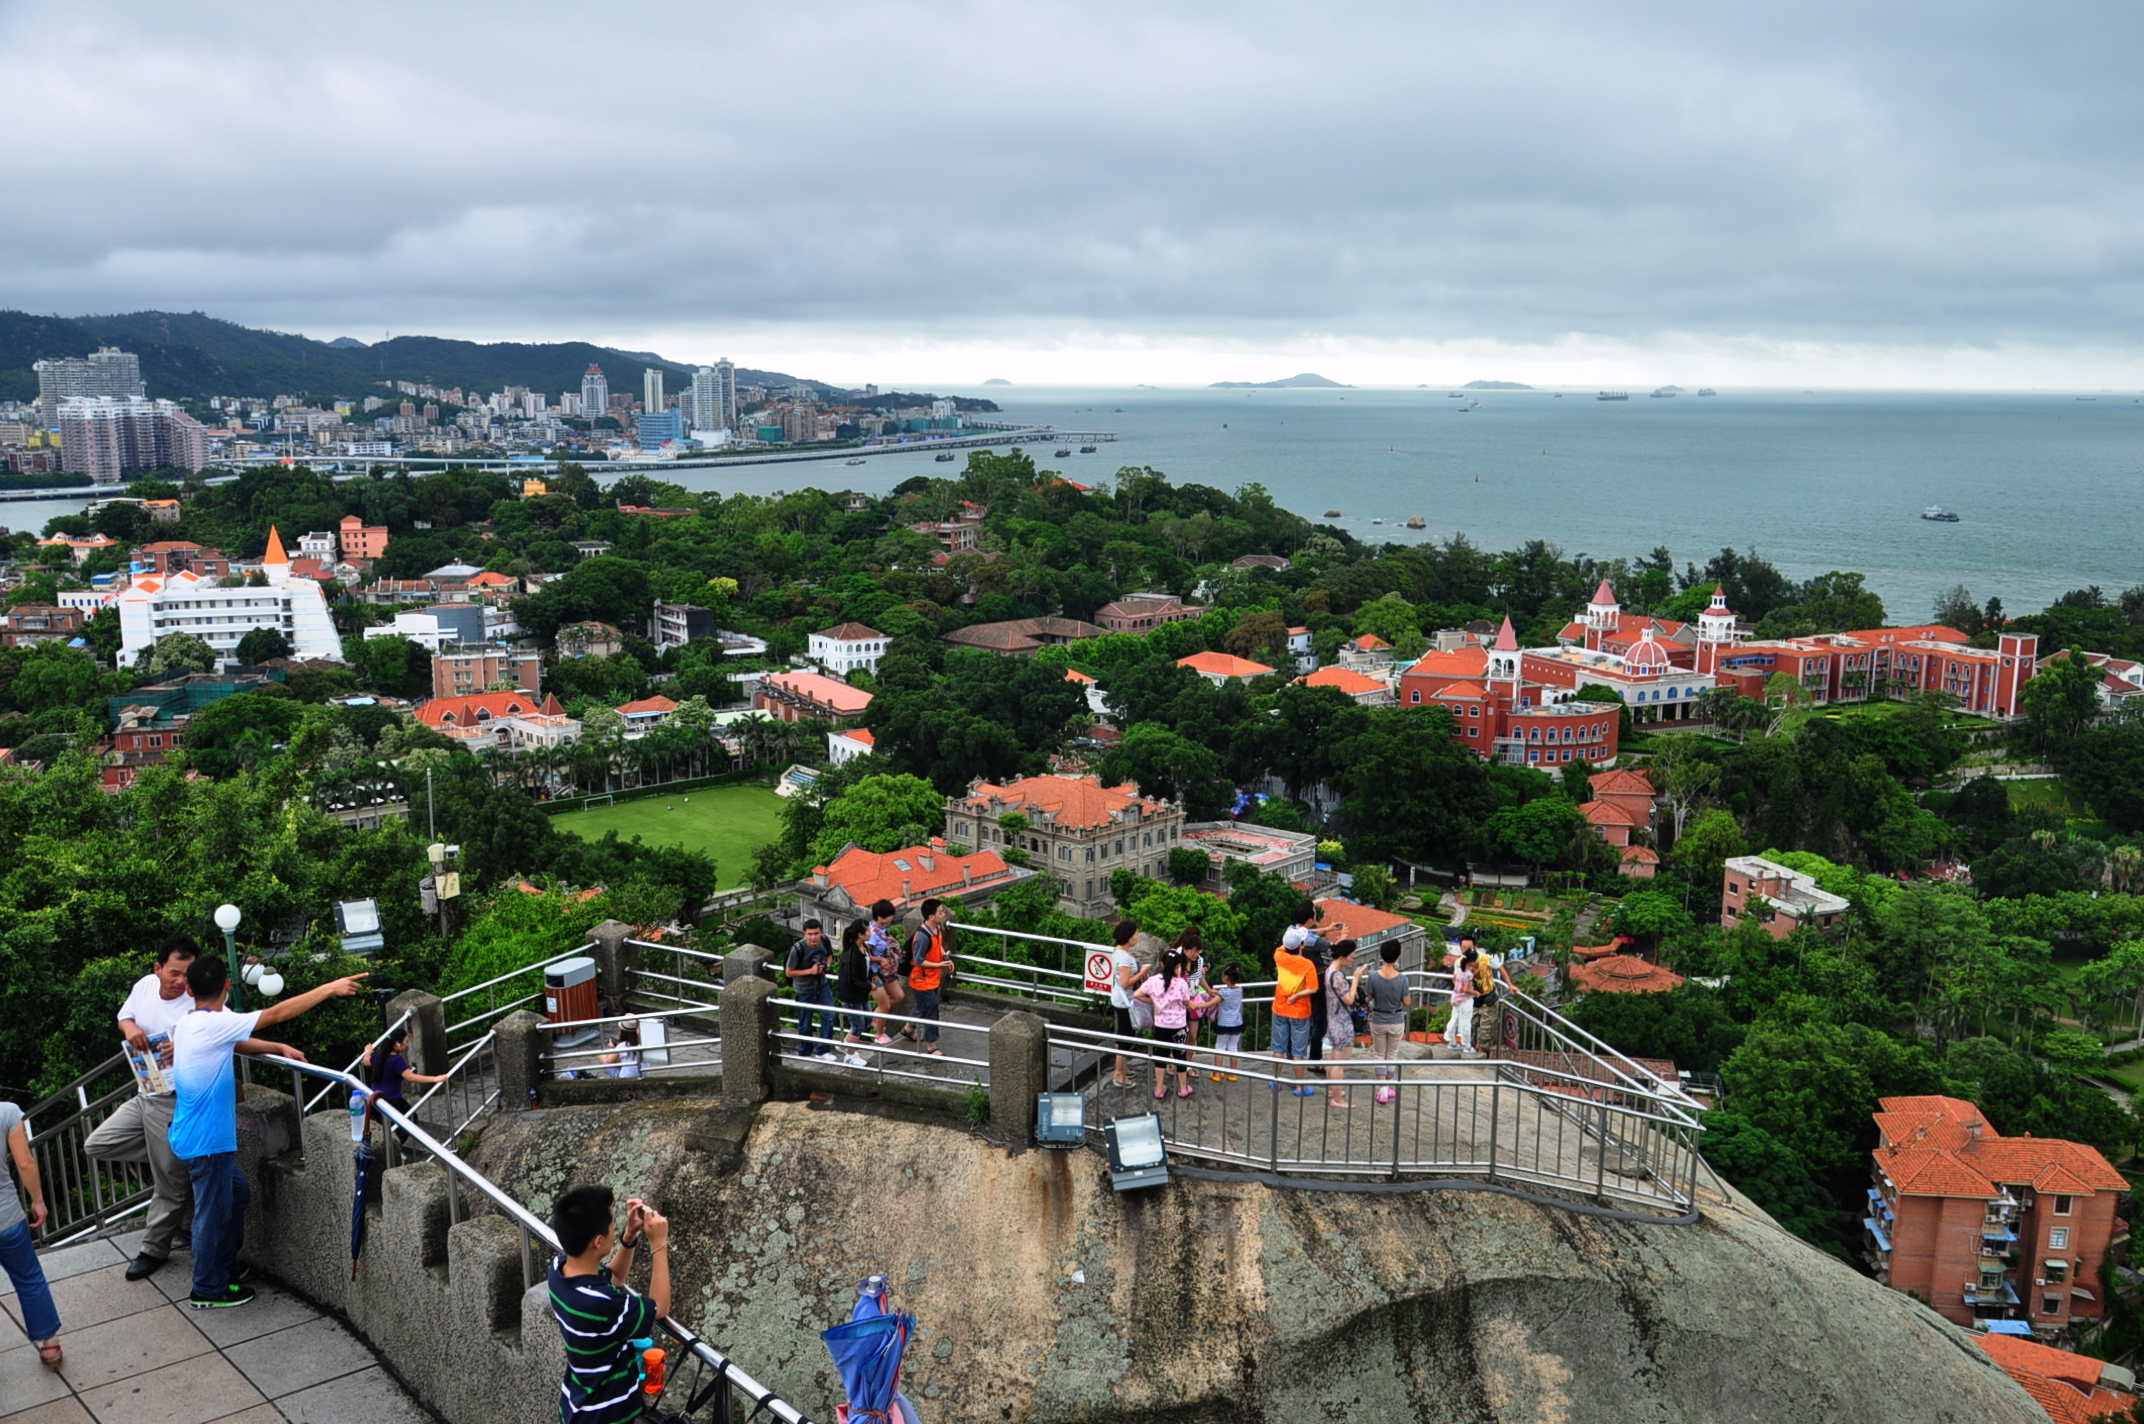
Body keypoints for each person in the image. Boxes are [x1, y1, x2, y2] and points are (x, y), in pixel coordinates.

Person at [169, 957, 367, 1309]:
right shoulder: (214, 1024)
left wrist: (276, 1048)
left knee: (238, 1194)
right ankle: (207, 1288)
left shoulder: (191, 1023)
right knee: (210, 1215)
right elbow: (276, 1013)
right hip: (207, 1143)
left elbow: (236, 1042)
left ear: (188, 989)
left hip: (196, 1136)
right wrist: (329, 988)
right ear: (227, 985)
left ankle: (224, 1268)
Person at [83, 938, 198, 1281]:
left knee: (168, 1184)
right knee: (97, 1144)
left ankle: (153, 1249)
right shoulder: (146, 986)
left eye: (187, 975)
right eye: (174, 973)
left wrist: (186, 1046)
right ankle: (176, 1163)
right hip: (144, 1093)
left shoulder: (195, 1003)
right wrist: (131, 1029)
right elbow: (125, 1015)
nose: (180, 981)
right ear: (158, 968)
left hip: (174, 1098)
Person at [548, 1184, 671, 1424]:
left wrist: (629, 1236)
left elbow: (613, 1278)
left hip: (577, 1404)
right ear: (597, 1241)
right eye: (614, 1227)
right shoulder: (604, 1304)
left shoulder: (559, 1269)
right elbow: (660, 1307)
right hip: (605, 1415)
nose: (615, 1230)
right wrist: (659, 1243)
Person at [0, 1100, 63, 1370]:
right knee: (29, 1278)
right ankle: (50, 1344)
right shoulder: (6, 1111)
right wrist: (37, 1200)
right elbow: (24, 1163)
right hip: (6, 1217)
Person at [1136, 948, 1218, 1100]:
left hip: (1160, 1026)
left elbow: (1137, 994)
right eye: (1179, 966)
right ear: (1176, 967)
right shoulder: (1181, 983)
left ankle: (1159, 1089)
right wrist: (1203, 1003)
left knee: (1160, 1057)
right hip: (1179, 1027)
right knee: (1180, 1057)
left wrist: (1154, 1002)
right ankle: (1183, 1088)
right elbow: (1187, 1003)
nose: (1181, 969)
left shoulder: (1153, 981)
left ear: (1162, 964)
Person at [367, 1022, 451, 1120]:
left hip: (375, 1099)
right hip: (391, 1100)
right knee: (411, 1119)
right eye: (406, 1042)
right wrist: (435, 1079)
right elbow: (410, 1077)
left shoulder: (379, 1055)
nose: (408, 1045)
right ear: (398, 1044)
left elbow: (366, 1061)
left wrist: (368, 1052)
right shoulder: (396, 1060)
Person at [1271, 930, 1320, 1095]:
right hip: (1299, 1012)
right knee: (1298, 1052)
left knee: (1278, 1048)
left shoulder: (1279, 956)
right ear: (1301, 945)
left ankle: (1276, 1082)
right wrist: (1297, 995)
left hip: (1280, 1008)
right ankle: (1299, 1087)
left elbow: (1283, 947)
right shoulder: (1307, 965)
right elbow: (1313, 988)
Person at [1106, 918, 1152, 1089]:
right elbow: (1126, 983)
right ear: (1128, 936)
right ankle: (1119, 1074)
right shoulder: (1124, 958)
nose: (1137, 936)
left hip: (1119, 999)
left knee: (1124, 1035)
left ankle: (1123, 1069)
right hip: (1124, 1001)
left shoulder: (1117, 952)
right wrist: (1142, 972)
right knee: (1124, 1037)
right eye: (1135, 933)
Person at [1365, 942, 1411, 1104]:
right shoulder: (1403, 979)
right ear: (1397, 956)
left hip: (1378, 1019)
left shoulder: (1373, 976)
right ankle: (1387, 1088)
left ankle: (1382, 1088)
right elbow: (1407, 1002)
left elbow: (1368, 997)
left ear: (1381, 955)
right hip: (1396, 1020)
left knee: (1379, 1054)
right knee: (1391, 1054)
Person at [905, 899, 953, 1056]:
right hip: (921, 979)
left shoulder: (936, 928)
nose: (943, 914)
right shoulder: (922, 936)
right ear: (931, 916)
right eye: (940, 912)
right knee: (931, 1008)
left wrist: (944, 955)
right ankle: (931, 1045)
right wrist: (940, 965)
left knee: (923, 1006)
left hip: (932, 978)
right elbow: (918, 960)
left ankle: (908, 1028)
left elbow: (937, 945)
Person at [784, 920, 834, 1058]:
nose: (813, 937)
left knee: (829, 1016)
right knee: (805, 1022)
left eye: (816, 933)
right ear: (804, 934)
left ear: (821, 933)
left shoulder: (824, 940)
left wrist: (826, 966)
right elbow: (789, 972)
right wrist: (810, 971)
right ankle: (805, 1050)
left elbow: (829, 955)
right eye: (809, 934)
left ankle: (823, 1050)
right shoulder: (797, 949)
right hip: (804, 989)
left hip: (822, 985)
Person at [1323, 940, 1364, 1107]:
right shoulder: (1338, 975)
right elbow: (1348, 999)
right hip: (1340, 1021)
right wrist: (1355, 979)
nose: (1353, 958)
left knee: (1334, 1058)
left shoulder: (1330, 970)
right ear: (1344, 955)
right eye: (1352, 955)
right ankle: (1337, 1099)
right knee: (1339, 1062)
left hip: (1333, 1018)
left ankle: (1333, 1090)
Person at [864, 899, 908, 1046]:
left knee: (898, 996)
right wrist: (880, 959)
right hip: (876, 973)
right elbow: (866, 955)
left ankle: (875, 1017)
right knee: (885, 1006)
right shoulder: (871, 934)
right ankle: (879, 1033)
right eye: (886, 920)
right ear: (879, 917)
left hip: (888, 971)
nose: (888, 922)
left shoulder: (882, 930)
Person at [834, 920, 872, 1058]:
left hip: (861, 993)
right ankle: (850, 1055)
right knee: (858, 1026)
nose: (870, 932)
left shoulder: (864, 947)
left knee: (867, 1020)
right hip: (851, 995)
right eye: (867, 931)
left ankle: (846, 1044)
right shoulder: (851, 954)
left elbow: (866, 966)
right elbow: (853, 979)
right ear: (860, 935)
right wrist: (870, 985)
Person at [1209, 964, 1246, 1082]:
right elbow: (1222, 995)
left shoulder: (1224, 992)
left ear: (1226, 978)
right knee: (1233, 1047)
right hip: (1236, 1023)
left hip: (1224, 1023)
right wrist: (1216, 992)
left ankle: (1217, 1073)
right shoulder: (1239, 990)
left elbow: (1212, 1003)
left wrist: (1197, 1005)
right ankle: (1233, 1074)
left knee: (1219, 1047)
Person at [1447, 948, 1478, 1056]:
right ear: (1471, 961)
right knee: (1465, 1023)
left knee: (1454, 1019)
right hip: (1465, 1000)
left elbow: (1454, 980)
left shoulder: (1459, 969)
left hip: (1455, 998)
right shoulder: (1469, 974)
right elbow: (1466, 990)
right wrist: (1475, 993)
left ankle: (1452, 1043)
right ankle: (1466, 1046)